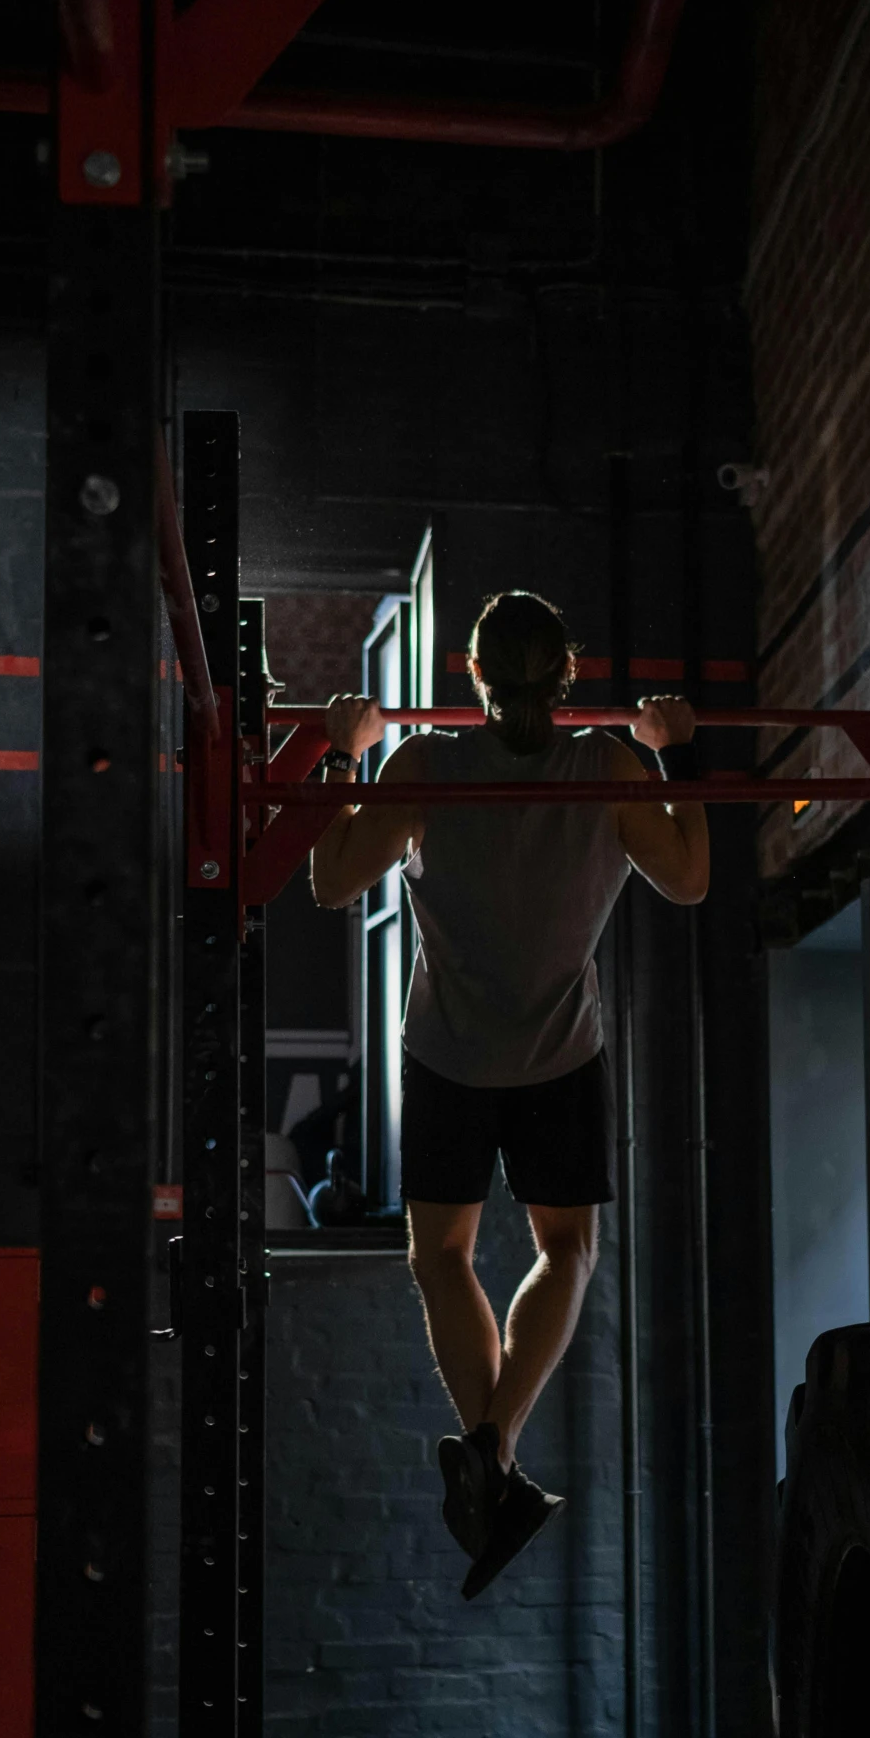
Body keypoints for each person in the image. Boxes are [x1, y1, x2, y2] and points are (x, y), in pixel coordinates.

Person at [310, 590, 708, 1598]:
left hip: (445, 1054)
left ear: (473, 675)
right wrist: (673, 751)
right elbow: (693, 877)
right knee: (566, 1249)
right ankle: (493, 1448)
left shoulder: (423, 765)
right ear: (563, 677)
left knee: (437, 1257)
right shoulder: (609, 766)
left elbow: (327, 879)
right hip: (558, 1058)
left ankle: (492, 1452)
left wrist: (343, 753)